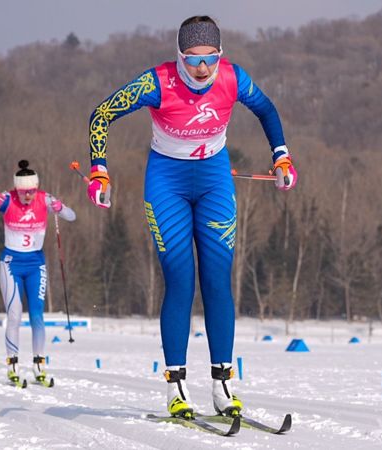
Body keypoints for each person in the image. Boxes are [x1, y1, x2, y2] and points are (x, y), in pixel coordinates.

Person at [83, 16, 296, 418]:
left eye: (210, 59)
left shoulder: (233, 78)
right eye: (192, 59)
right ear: (178, 55)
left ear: (221, 55)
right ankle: (176, 386)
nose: (201, 68)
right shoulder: (156, 82)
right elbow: (101, 114)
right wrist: (99, 169)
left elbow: (267, 111)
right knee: (180, 279)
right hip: (167, 183)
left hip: (215, 180)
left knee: (217, 277)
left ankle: (223, 385)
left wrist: (281, 156)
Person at [0, 160, 76, 386]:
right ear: (17, 189)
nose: (27, 196)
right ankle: (12, 363)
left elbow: (72, 216)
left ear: (36, 188)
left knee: (37, 316)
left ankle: (39, 364)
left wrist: (60, 207)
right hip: (11, 263)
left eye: (31, 191)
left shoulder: (45, 199)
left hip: (35, 264)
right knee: (14, 314)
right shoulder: (8, 199)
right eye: (23, 192)